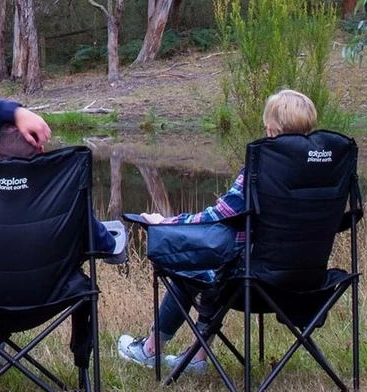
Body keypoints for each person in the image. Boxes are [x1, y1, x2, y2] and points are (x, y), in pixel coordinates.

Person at [117, 88, 319, 374]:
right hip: (308, 280)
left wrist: (163, 222)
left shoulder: (262, 166)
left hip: (254, 282)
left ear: (271, 131)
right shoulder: (325, 170)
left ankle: (151, 350)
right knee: (219, 264)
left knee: (195, 267)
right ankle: (197, 356)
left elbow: (216, 217)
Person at [0, 98, 121, 358]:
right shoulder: (63, 189)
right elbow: (103, 245)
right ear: (41, 151)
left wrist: (15, 112)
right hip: (47, 301)